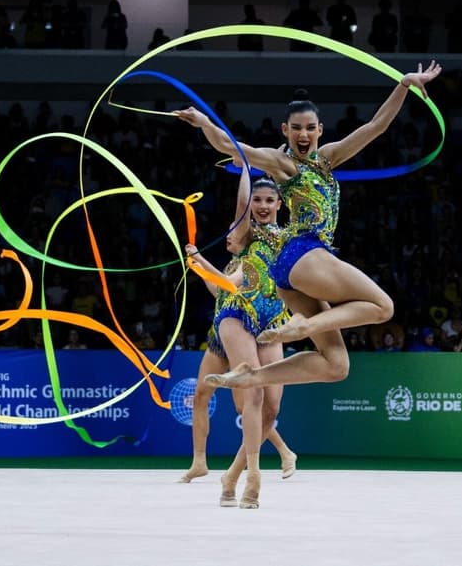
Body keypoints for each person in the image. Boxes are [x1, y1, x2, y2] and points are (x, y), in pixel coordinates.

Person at [173, 60, 442, 395]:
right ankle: (301, 326)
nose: (303, 134)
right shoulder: (283, 163)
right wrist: (204, 123)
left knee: (336, 366)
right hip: (304, 252)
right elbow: (231, 148)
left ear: (320, 130)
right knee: (383, 307)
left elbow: (375, 127)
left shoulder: (328, 158)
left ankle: (251, 376)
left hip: (294, 274)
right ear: (285, 130)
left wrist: (403, 84)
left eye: (309, 128)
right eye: (296, 128)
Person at [178, 165, 297, 509]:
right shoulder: (246, 240)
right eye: (257, 200)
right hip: (237, 321)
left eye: (269, 200)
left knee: (271, 409)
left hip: (272, 323)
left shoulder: (288, 237)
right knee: (248, 397)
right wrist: (242, 162)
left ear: (279, 204)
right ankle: (249, 475)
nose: (261, 205)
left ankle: (231, 474)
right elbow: (224, 287)